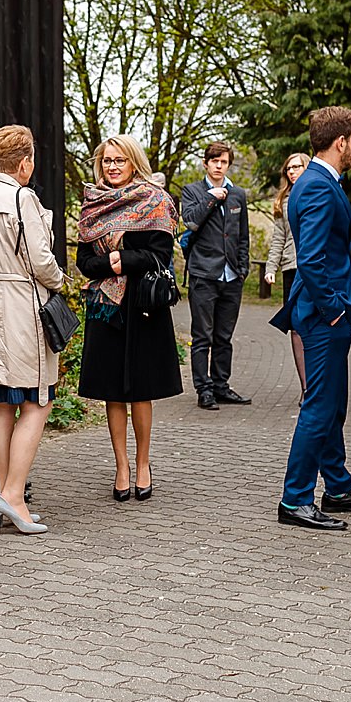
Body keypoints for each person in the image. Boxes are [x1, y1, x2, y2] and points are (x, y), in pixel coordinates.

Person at [274, 106, 351, 531]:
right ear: (340, 142)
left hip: (324, 313)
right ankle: (295, 498)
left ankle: (337, 488)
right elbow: (314, 260)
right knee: (319, 407)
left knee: (331, 404)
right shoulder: (319, 186)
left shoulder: (319, 181)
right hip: (324, 316)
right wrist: (336, 310)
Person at [0, 126, 66, 534]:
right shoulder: (22, 197)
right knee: (37, 400)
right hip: (21, 305)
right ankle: (12, 495)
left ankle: (6, 496)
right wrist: (60, 280)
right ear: (25, 163)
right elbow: (41, 261)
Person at [76, 135, 183, 501]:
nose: (113, 167)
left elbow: (160, 253)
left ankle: (142, 463)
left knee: (141, 390)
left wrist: (125, 260)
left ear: (134, 162)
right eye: (107, 161)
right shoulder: (93, 205)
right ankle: (121, 465)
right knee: (112, 391)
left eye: (120, 160)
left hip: (143, 305)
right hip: (105, 308)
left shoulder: (155, 201)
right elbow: (83, 262)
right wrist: (109, 262)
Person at [180, 142, 252, 409]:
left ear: (228, 165)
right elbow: (191, 222)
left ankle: (221, 385)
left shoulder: (239, 194)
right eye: (215, 161)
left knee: (224, 336)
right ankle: (204, 389)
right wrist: (213, 198)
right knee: (202, 335)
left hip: (232, 275)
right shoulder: (192, 191)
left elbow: (242, 235)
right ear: (206, 163)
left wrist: (242, 268)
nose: (219, 166)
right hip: (203, 274)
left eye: (224, 162)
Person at [265, 153, 311, 390]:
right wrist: (271, 267)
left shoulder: (315, 194)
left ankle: (317, 384)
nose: (292, 172)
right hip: (291, 268)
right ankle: (305, 387)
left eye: (297, 167)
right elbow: (279, 238)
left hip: (313, 268)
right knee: (296, 326)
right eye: (288, 168)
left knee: (314, 325)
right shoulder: (283, 200)